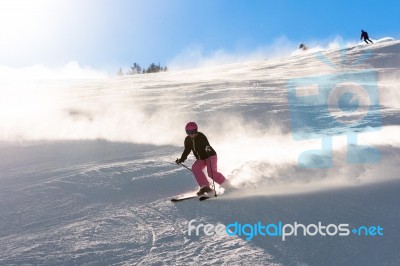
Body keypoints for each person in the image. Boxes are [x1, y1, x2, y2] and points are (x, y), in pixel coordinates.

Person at [175, 122, 231, 196]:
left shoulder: (201, 136)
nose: (190, 134)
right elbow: (187, 150)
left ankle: (227, 185)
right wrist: (181, 159)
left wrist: (207, 148)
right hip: (201, 159)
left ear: (196, 131)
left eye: (192, 132)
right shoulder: (187, 139)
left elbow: (206, 144)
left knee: (211, 173)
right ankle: (205, 187)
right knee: (195, 168)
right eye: (188, 132)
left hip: (210, 156)